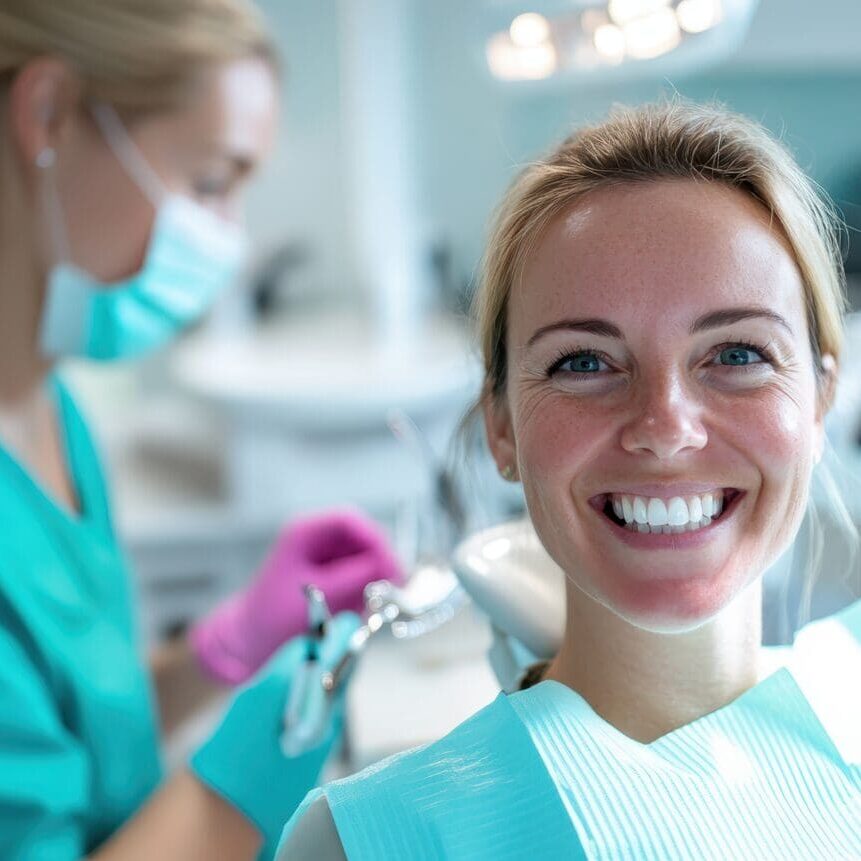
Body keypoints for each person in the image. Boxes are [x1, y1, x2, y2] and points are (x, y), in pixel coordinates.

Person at [277, 100, 861, 859]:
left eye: (737, 353)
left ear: (819, 400)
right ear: (502, 426)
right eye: (583, 362)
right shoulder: (370, 842)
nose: (664, 426)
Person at [0, 1, 403, 858]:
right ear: (47, 115)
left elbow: (71, 740)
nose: (227, 239)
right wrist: (241, 783)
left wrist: (224, 645)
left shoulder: (48, 412)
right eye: (212, 182)